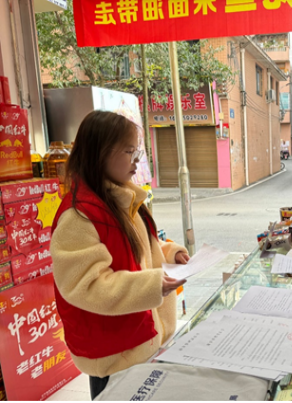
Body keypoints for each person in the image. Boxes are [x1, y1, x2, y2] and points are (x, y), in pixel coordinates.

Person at [51, 111, 190, 400]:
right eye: (129, 152)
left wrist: (171, 253)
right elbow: (85, 286)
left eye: (136, 151)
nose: (136, 161)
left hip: (141, 341)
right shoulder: (78, 215)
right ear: (99, 153)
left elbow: (140, 249)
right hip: (113, 355)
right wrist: (152, 285)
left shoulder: (122, 199)